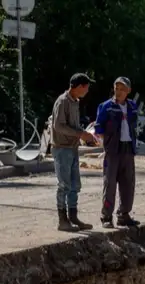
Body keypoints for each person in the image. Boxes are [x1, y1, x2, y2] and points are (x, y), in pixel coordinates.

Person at [50, 73, 96, 232]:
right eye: (86, 87)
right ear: (79, 87)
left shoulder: (75, 102)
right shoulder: (62, 101)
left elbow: (74, 127)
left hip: (72, 148)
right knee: (64, 184)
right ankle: (62, 220)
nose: (87, 91)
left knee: (75, 184)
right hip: (62, 148)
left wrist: (85, 135)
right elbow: (59, 126)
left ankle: (73, 216)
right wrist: (80, 134)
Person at [94, 76, 140, 228]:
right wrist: (105, 144)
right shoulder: (106, 106)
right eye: (117, 88)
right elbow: (99, 128)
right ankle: (106, 217)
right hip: (113, 150)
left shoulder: (132, 106)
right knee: (110, 184)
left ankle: (124, 215)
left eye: (122, 89)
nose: (119, 92)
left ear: (128, 91)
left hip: (128, 149)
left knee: (128, 183)